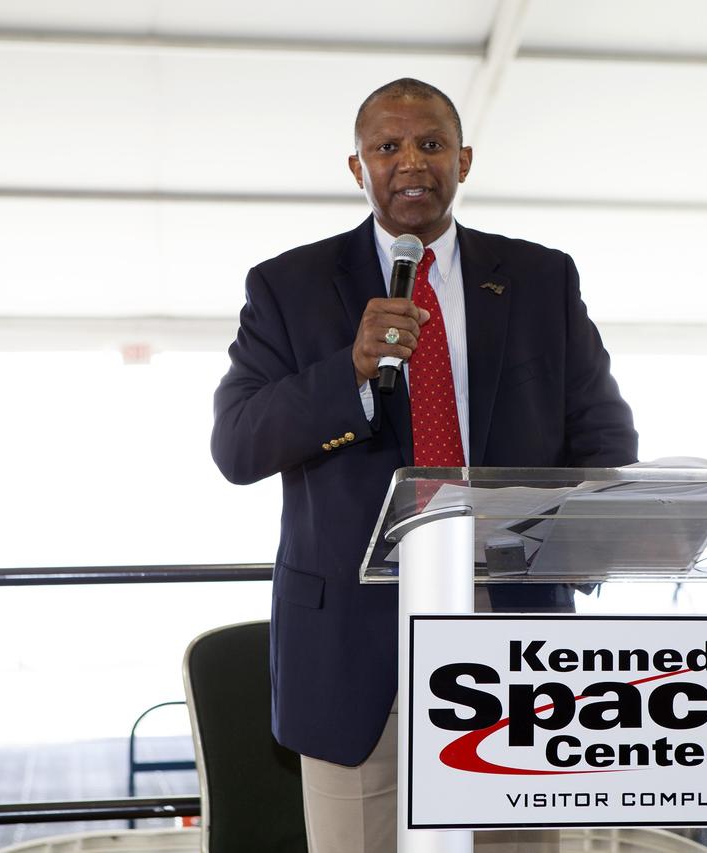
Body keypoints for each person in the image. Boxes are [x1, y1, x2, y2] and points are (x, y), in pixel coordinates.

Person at [211, 78, 638, 853]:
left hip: (516, 628)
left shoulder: (542, 279)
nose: (411, 161)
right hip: (353, 642)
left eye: (431, 144)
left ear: (464, 160)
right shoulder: (289, 286)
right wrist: (348, 370)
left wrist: (573, 544)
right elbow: (237, 444)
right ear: (357, 166)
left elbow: (603, 435)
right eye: (388, 147)